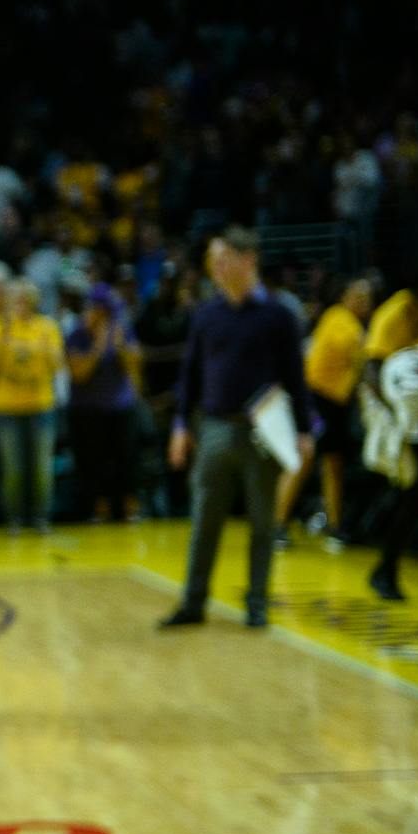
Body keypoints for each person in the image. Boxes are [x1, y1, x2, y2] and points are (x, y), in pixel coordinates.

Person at [159, 228, 313, 629]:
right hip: (213, 429)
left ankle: (257, 603)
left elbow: (296, 377)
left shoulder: (278, 316)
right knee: (203, 521)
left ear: (249, 261)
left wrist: (304, 430)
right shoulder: (207, 315)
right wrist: (180, 426)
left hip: (264, 432)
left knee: (263, 523)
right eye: (213, 259)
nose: (215, 267)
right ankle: (193, 602)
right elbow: (189, 375)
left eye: (222, 258)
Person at [278, 276, 372, 540]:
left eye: (367, 299)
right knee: (303, 459)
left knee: (334, 463)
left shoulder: (353, 324)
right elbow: (354, 351)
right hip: (316, 400)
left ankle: (334, 524)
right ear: (345, 298)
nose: (363, 302)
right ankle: (277, 525)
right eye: (358, 296)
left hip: (337, 403)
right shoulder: (338, 318)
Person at [363, 266, 418, 600]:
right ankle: (384, 567)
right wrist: (398, 419)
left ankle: (384, 567)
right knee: (412, 494)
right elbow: (373, 369)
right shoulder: (394, 312)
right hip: (402, 424)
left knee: (414, 497)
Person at [0, 278, 64, 530]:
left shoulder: (46, 327)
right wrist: (5, 334)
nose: (20, 305)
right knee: (12, 469)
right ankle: (14, 519)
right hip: (7, 407)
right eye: (15, 301)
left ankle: (40, 517)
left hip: (40, 406)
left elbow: (57, 363)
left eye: (24, 300)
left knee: (41, 469)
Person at [64, 282, 143, 522]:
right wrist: (98, 347)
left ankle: (125, 509)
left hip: (120, 407)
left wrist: (120, 348)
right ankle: (95, 509)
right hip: (87, 410)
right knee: (92, 463)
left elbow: (135, 366)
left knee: (125, 461)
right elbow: (79, 374)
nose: (106, 317)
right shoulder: (77, 334)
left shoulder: (122, 329)